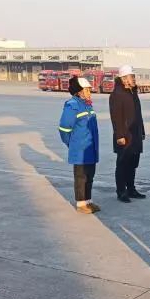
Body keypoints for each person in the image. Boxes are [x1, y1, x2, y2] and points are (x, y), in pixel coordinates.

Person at [58, 76, 100, 214]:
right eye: (86, 90)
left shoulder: (87, 105)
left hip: (90, 148)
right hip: (80, 149)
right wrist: (71, 143)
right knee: (81, 177)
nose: (89, 92)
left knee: (90, 176)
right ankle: (81, 204)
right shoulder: (72, 105)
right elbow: (64, 128)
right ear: (79, 91)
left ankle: (88, 201)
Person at [110, 65, 146, 203]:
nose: (134, 79)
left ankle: (131, 189)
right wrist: (119, 136)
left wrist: (142, 131)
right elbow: (116, 117)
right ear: (124, 78)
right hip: (124, 136)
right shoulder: (117, 94)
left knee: (133, 163)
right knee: (122, 164)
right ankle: (121, 191)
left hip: (135, 134)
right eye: (132, 76)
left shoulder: (133, 92)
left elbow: (138, 115)